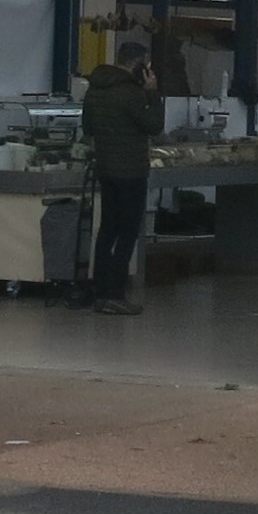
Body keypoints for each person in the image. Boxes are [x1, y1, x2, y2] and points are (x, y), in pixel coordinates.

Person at [79, 46, 164, 315]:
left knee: (107, 230)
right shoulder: (131, 92)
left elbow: (88, 128)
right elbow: (154, 125)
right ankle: (115, 294)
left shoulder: (94, 89)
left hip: (106, 169)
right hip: (131, 171)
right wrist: (152, 92)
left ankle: (100, 290)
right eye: (147, 65)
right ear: (139, 64)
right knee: (128, 232)